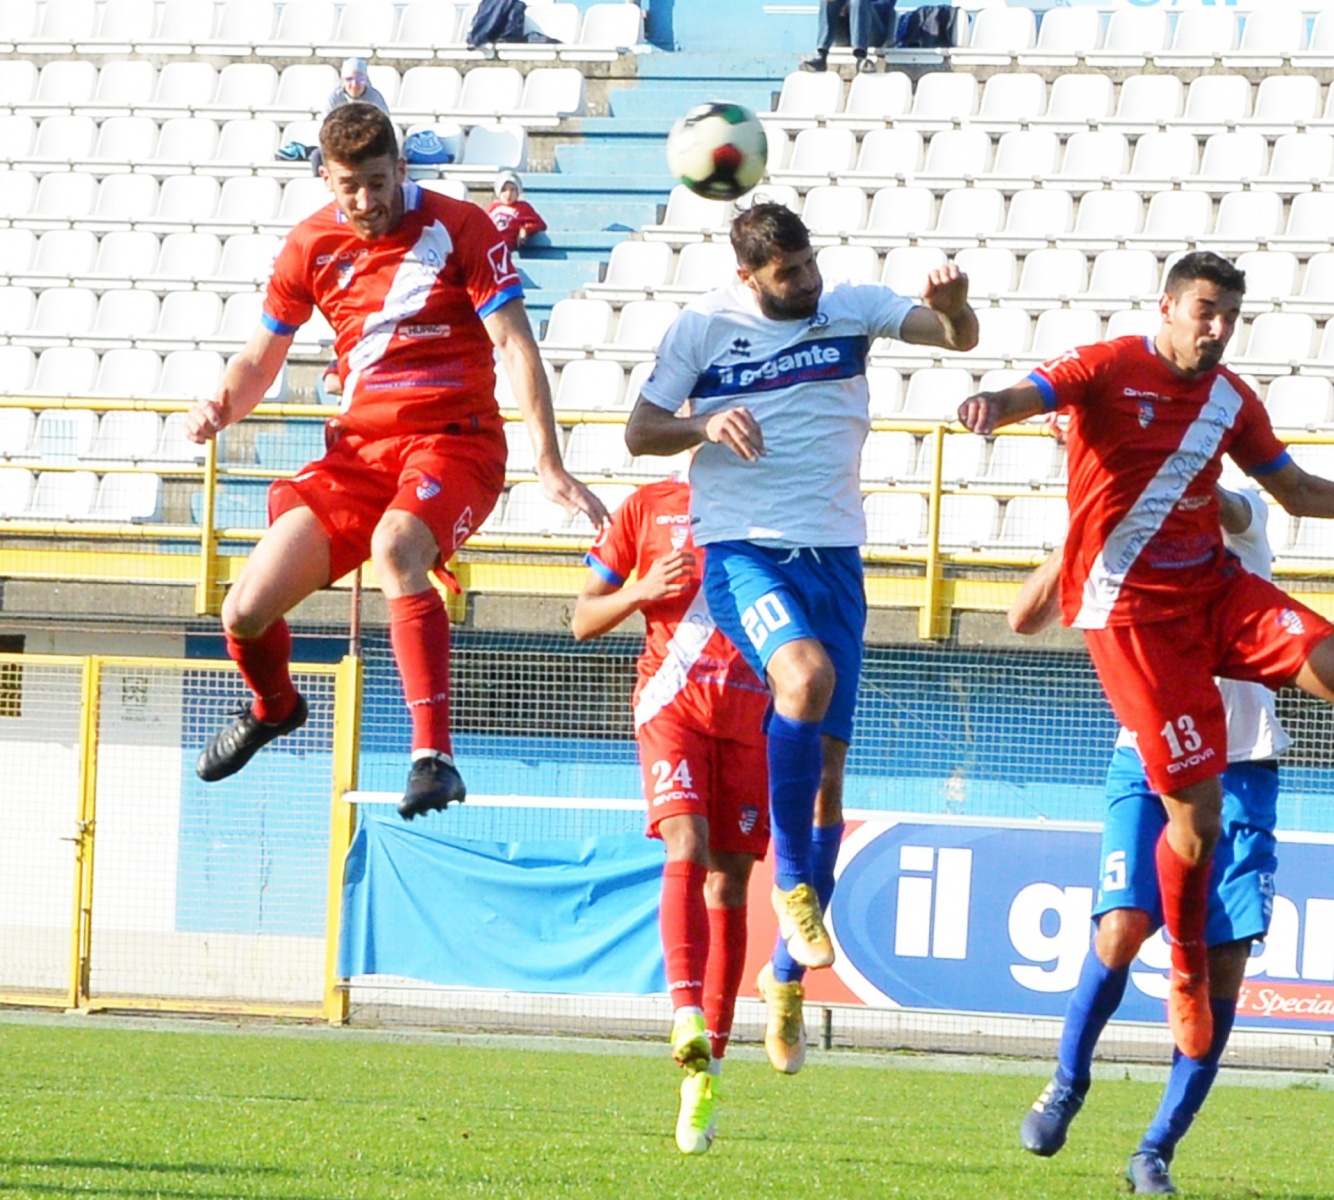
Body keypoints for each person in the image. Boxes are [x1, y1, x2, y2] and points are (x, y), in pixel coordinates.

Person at [624, 202, 978, 1072]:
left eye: (808, 264)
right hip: (743, 550)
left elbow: (954, 339)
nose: (805, 281)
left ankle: (783, 976)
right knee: (803, 680)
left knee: (826, 785)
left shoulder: (850, 307)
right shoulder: (704, 329)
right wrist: (703, 423)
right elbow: (641, 430)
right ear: (750, 275)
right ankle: (788, 886)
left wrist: (959, 304)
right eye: (787, 274)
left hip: (836, 561)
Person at [956, 249, 1334, 1063]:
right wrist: (993, 403)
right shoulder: (1109, 364)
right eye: (1205, 310)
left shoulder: (1231, 400)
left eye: (1230, 314)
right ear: (1166, 306)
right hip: (1132, 620)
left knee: (1329, 657)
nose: (1219, 328)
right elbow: (1034, 392)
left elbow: (1298, 493)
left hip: (1214, 590)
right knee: (1194, 825)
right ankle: (1188, 969)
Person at [185, 102, 606, 818]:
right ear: (327, 177)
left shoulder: (459, 227)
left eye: (378, 182)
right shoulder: (308, 247)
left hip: (455, 439)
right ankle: (277, 707)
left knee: (396, 547)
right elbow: (261, 359)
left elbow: (513, 343)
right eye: (349, 185)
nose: (365, 200)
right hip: (359, 456)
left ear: (401, 169)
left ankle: (433, 756)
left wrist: (550, 462)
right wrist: (222, 405)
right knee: (245, 610)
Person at [1010, 485, 1286, 1196]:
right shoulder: (1132, 539)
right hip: (1147, 755)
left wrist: (1171, 480)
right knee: (1121, 930)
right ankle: (1068, 1083)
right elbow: (1025, 618)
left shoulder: (1235, 510)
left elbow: (1232, 508)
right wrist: (1090, 516)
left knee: (1223, 967)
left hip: (1242, 766)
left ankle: (1155, 1149)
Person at [572, 474, 769, 1155]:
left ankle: (707, 1067)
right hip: (671, 702)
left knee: (731, 884)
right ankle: (685, 1010)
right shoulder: (647, 506)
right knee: (685, 843)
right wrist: (640, 590)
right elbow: (581, 617)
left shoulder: (777, 497)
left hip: (751, 714)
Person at [307, 58, 392, 175]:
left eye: (360, 79)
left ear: (367, 80)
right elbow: (327, 128)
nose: (354, 85)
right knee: (317, 156)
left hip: (368, 145)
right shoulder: (334, 98)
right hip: (340, 144)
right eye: (349, 80)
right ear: (342, 81)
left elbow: (384, 128)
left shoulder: (375, 98)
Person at [801, 0, 896, 74]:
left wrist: (851, 5)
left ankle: (860, 57)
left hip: (874, 31)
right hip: (846, 29)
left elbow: (886, 5)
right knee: (829, 1)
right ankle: (821, 56)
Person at [486, 172, 547, 253]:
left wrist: (524, 229)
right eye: (504, 190)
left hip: (503, 246)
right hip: (488, 244)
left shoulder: (523, 207)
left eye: (512, 190)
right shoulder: (493, 207)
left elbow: (540, 224)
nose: (508, 194)